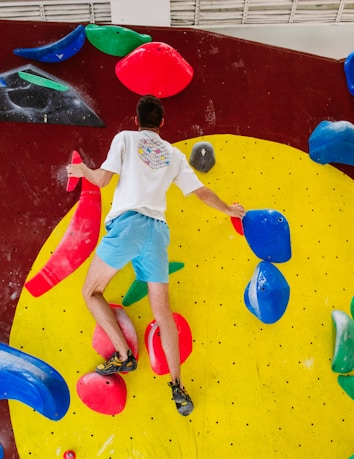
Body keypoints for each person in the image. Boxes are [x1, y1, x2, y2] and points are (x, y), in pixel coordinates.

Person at [66, 94, 246, 416]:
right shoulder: (174, 155)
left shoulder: (125, 139)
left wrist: (80, 170)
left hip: (128, 225)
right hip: (157, 232)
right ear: (162, 123)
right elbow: (202, 192)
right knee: (163, 313)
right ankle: (178, 388)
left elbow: (103, 179)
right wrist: (229, 209)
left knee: (90, 292)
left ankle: (124, 356)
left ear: (137, 120)